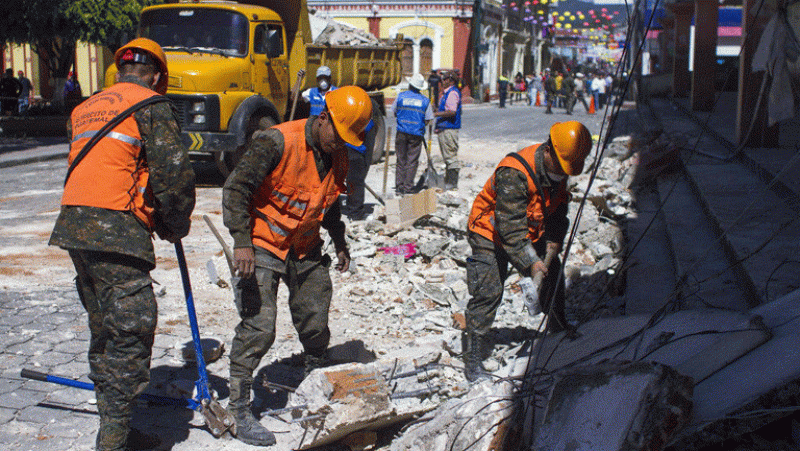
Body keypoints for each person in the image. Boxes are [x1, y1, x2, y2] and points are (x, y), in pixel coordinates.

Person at [49, 38, 196, 450]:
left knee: (105, 329)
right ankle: (111, 443)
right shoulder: (152, 104)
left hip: (74, 224)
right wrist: (175, 224)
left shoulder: (85, 107)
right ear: (156, 76)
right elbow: (174, 174)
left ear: (120, 71)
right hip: (115, 226)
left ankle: (115, 426)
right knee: (131, 331)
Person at [222, 85, 372, 446]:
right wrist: (241, 242)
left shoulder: (339, 156)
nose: (341, 144)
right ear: (323, 119)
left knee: (316, 320)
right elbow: (235, 189)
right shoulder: (277, 142)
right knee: (259, 328)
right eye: (338, 135)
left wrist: (339, 241)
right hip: (262, 243)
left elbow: (331, 203)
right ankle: (239, 407)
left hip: (304, 246)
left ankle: (311, 377)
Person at [462, 121, 592, 382]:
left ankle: (557, 326)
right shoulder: (515, 172)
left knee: (552, 273)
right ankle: (473, 362)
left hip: (528, 230)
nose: (563, 174)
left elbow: (557, 210)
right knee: (488, 290)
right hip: (489, 232)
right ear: (547, 151)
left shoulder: (560, 169)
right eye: (561, 167)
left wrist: (554, 241)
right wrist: (531, 263)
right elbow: (509, 227)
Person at [392, 73, 433, 195]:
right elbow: (428, 119)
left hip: (401, 132)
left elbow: (394, 112)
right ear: (420, 88)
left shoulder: (401, 96)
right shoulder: (425, 101)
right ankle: (408, 187)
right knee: (412, 161)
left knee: (401, 159)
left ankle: (399, 187)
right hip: (416, 134)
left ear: (410, 85)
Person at [434, 71, 462, 190]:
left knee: (450, 157)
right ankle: (448, 181)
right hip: (444, 129)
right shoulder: (446, 94)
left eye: (444, 79)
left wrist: (436, 114)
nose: (442, 82)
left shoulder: (452, 93)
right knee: (447, 157)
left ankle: (452, 183)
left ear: (450, 80)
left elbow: (451, 111)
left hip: (449, 130)